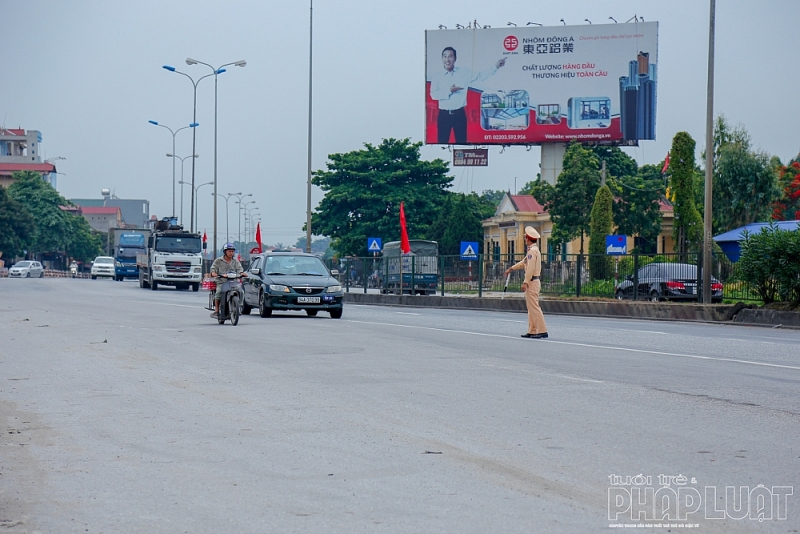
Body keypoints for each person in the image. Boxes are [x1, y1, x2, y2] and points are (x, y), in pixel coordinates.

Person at [429, 46, 506, 144]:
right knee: (442, 143)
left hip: (459, 114)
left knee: (462, 143)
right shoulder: (437, 76)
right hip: (444, 115)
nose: (447, 59)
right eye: (445, 56)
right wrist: (449, 91)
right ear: (442, 58)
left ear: (455, 59)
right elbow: (433, 95)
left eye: (450, 56)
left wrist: (496, 66)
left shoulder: (463, 73)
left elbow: (480, 76)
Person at [504, 226, 548, 339]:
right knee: (531, 308)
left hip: (532, 281)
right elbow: (524, 263)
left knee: (534, 307)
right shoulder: (533, 251)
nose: (525, 239)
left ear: (528, 239)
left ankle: (542, 330)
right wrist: (511, 268)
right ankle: (532, 330)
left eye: (525, 237)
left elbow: (530, 268)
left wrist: (525, 282)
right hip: (533, 281)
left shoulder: (532, 251)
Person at [210, 242, 244, 319]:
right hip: (221, 282)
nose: (231, 253)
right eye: (229, 251)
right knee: (218, 292)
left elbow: (240, 269)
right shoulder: (218, 261)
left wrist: (242, 273)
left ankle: (239, 307)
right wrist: (213, 273)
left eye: (232, 251)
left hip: (233, 282)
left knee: (241, 291)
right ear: (225, 252)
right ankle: (216, 311)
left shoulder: (236, 261)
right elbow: (213, 269)